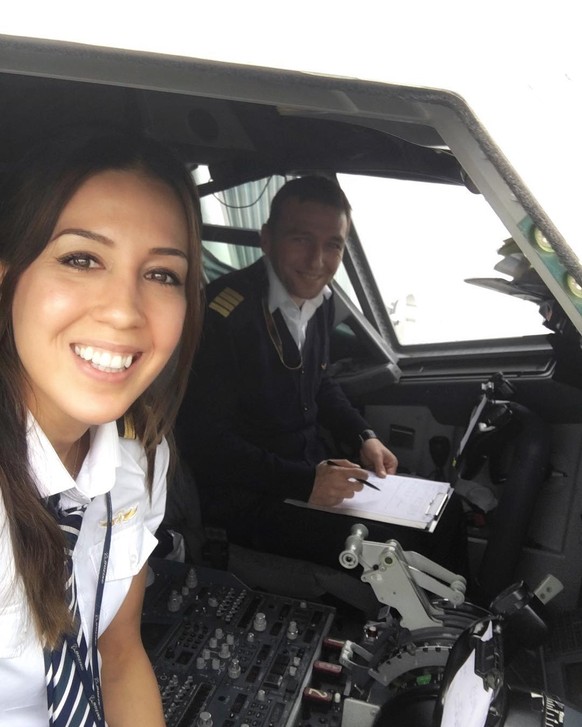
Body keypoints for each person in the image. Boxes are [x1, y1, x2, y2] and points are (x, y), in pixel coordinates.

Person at [0, 128, 203, 726]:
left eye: (162, 274)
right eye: (81, 260)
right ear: (7, 279)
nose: (123, 311)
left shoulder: (140, 459)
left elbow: (116, 656)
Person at [177, 175, 467, 575]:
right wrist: (305, 483)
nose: (317, 261)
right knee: (405, 548)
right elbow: (205, 443)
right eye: (301, 239)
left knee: (446, 510)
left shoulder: (321, 300)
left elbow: (320, 382)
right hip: (249, 497)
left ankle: (465, 615)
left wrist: (364, 436)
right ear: (267, 239)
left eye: (333, 245)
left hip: (310, 470)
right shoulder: (223, 316)